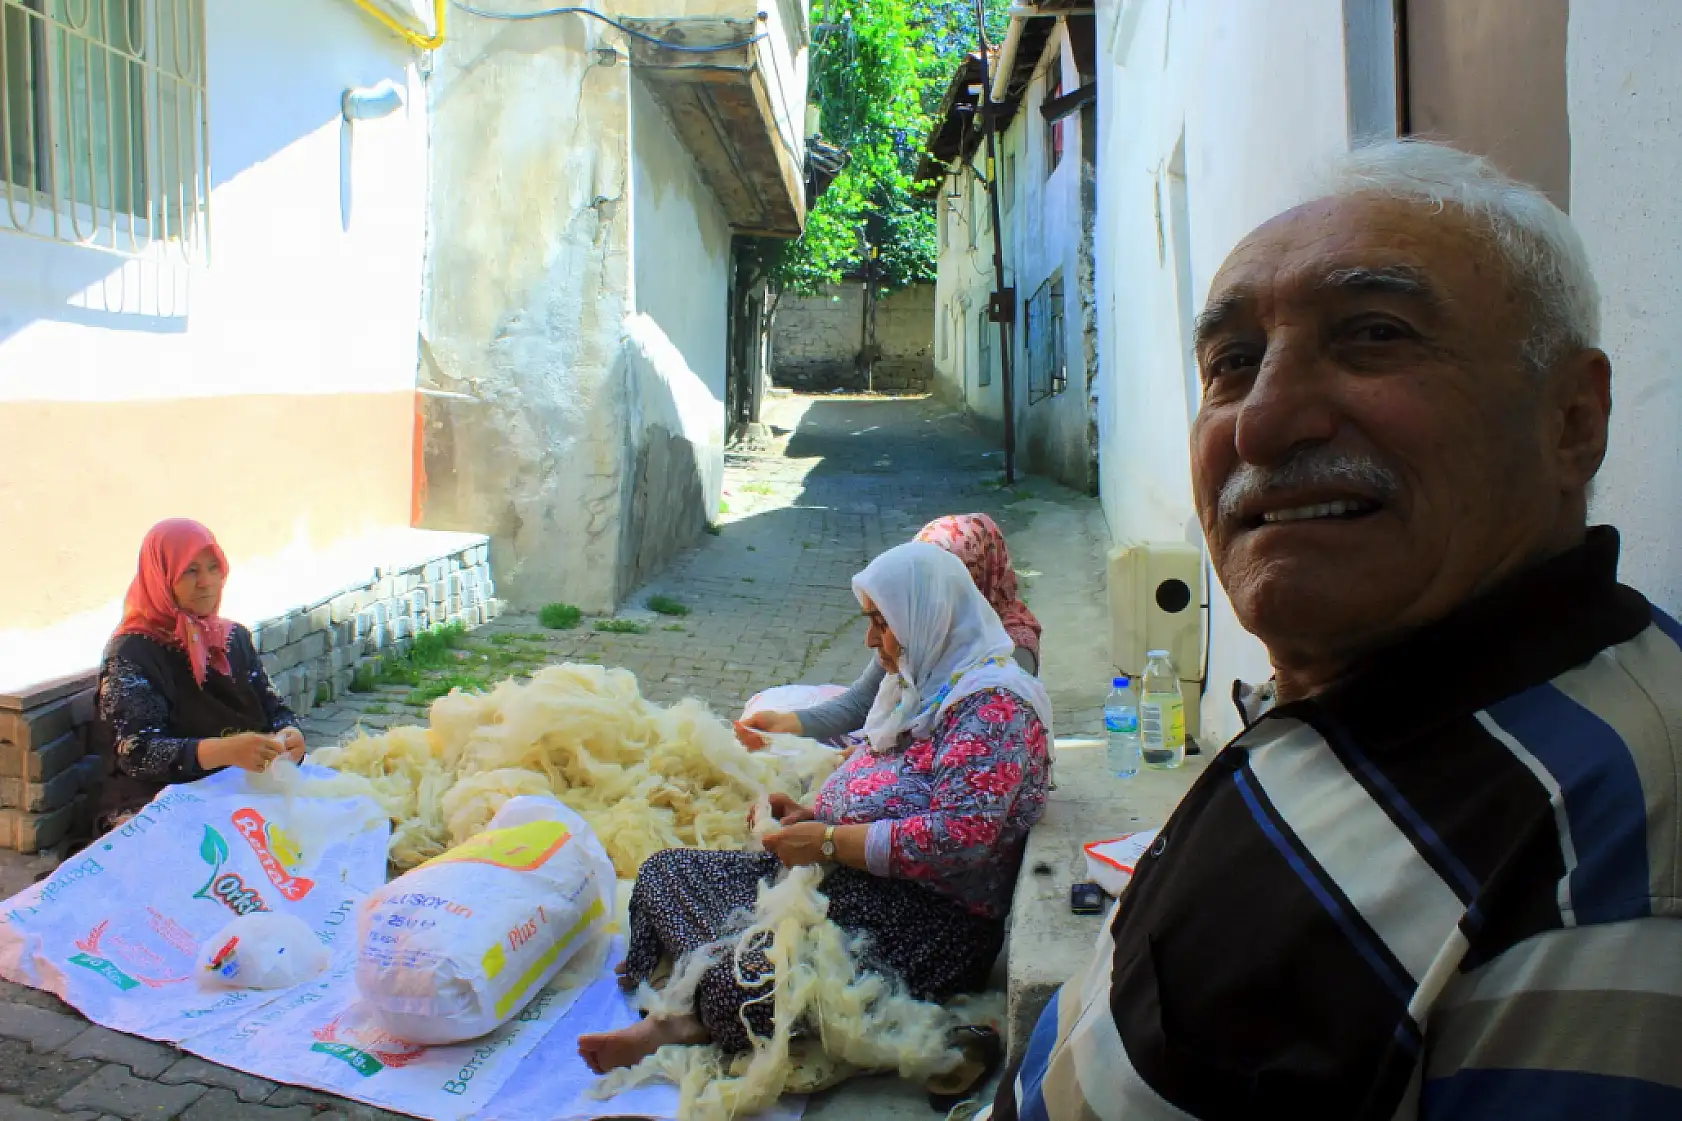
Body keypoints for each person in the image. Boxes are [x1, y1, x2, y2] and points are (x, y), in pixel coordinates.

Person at [990, 139, 1682, 1120]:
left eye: (1372, 335)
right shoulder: (1371, 688)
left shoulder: (1601, 874)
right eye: (1231, 363)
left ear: (1570, 418)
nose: (1261, 424)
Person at [579, 541, 1053, 1074]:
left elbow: (958, 836)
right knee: (663, 871)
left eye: (882, 622)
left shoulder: (993, 707)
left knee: (742, 988)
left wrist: (829, 841)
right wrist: (814, 820)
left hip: (930, 919)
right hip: (844, 880)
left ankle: (690, 1009)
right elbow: (880, 771)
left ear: (926, 616)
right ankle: (707, 978)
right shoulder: (918, 682)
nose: (872, 638)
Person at [735, 513, 1042, 749]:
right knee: (774, 704)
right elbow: (861, 701)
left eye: (922, 588)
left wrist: (828, 832)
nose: (870, 640)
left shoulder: (997, 679)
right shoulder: (909, 630)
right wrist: (784, 723)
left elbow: (951, 791)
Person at [96, 519, 305, 827]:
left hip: (238, 785)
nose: (207, 582)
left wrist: (290, 733)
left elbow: (273, 706)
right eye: (190, 571)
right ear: (162, 577)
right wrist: (224, 751)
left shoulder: (234, 639)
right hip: (161, 799)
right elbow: (137, 752)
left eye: (213, 567)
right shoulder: (133, 651)